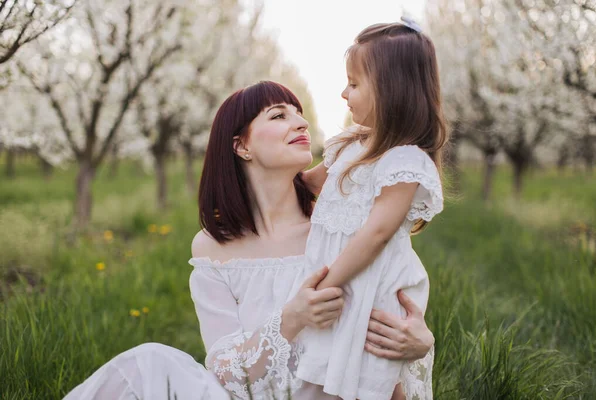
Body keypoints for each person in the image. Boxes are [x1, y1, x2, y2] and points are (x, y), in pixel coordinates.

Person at [63, 81, 434, 400]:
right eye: (278, 115)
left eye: (298, 113)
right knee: (149, 363)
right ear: (242, 146)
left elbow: (385, 337)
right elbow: (225, 371)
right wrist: (291, 318)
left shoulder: (343, 236)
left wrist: (419, 344)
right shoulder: (212, 248)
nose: (300, 122)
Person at [294, 19, 447, 400]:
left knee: (373, 375)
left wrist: (327, 284)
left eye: (355, 84)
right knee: (327, 373)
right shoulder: (349, 145)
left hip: (370, 285)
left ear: (391, 90)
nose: (344, 93)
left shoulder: (403, 161)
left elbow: (376, 233)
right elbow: (306, 182)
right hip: (343, 281)